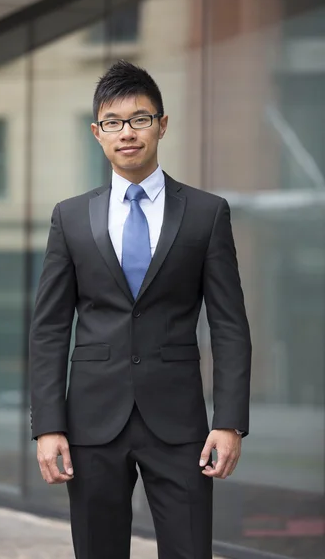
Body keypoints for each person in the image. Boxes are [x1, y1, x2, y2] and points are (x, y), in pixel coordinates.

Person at [29, 60, 252, 559]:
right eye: (113, 122)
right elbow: (48, 328)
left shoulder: (205, 213)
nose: (126, 133)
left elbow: (229, 324)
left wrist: (230, 421)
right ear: (97, 133)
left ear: (162, 125)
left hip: (181, 426)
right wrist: (48, 425)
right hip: (90, 423)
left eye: (140, 119)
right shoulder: (70, 217)